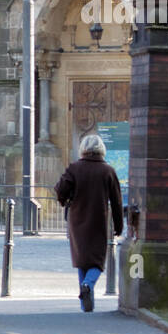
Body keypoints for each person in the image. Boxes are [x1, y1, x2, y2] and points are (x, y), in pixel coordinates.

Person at [54, 133, 123, 313]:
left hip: (77, 220)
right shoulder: (108, 171)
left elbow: (60, 189)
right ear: (101, 149)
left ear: (83, 149)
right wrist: (118, 225)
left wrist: (65, 201)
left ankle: (86, 303)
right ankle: (88, 286)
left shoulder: (75, 168)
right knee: (97, 261)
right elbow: (117, 202)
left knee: (82, 260)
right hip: (98, 220)